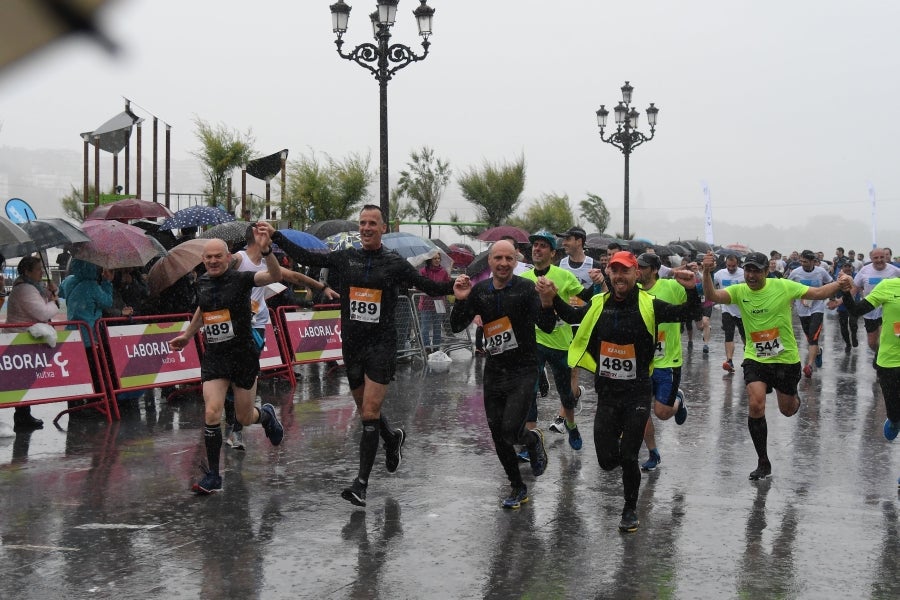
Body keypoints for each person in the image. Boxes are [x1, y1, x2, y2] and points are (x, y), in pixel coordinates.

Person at [269, 206, 456, 508]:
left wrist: (456, 287)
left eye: (372, 223)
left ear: (383, 228)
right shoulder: (346, 258)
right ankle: (392, 439)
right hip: (353, 345)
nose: (366, 228)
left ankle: (361, 484)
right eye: (363, 223)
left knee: (369, 413)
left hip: (381, 345)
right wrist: (276, 236)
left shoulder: (395, 263)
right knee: (365, 411)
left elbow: (430, 287)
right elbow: (308, 258)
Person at [538, 251, 700, 532]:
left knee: (628, 456)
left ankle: (629, 509)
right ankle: (625, 481)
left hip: (637, 393)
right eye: (615, 271)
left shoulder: (650, 304)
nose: (619, 276)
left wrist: (692, 290)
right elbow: (572, 315)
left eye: (625, 270)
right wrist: (552, 298)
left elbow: (689, 313)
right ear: (609, 274)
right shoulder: (599, 304)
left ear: (636, 274)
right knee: (605, 461)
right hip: (608, 394)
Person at [701, 251, 851, 481]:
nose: (751, 275)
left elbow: (818, 293)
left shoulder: (782, 286)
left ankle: (794, 397)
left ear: (766, 271)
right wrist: (706, 272)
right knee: (756, 404)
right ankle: (763, 461)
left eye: (756, 271)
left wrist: (840, 284)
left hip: (785, 358)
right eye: (748, 270)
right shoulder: (739, 291)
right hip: (756, 358)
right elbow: (712, 295)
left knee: (787, 410)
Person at [169, 226, 285, 495]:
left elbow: (275, 276)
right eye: (208, 257)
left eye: (217, 256)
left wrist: (267, 251)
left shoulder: (242, 279)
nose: (212, 261)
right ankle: (213, 475)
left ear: (228, 257)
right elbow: (203, 309)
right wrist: (187, 335)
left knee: (244, 417)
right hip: (215, 357)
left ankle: (266, 416)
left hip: (242, 355)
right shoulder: (202, 282)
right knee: (212, 412)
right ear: (203, 259)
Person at [449, 240, 555, 509]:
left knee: (510, 429)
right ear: (490, 262)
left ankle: (532, 439)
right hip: (495, 370)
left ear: (515, 262)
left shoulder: (526, 289)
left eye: (509, 258)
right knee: (498, 433)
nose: (504, 263)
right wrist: (460, 300)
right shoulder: (481, 291)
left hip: (524, 369)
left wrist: (546, 302)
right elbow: (456, 325)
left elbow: (547, 326)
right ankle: (517, 486)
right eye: (498, 258)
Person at [222, 225, 339, 451]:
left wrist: (322, 287)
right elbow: (219, 268)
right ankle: (242, 422)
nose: (271, 240)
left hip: (255, 328)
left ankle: (236, 430)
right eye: (265, 235)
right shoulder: (238, 259)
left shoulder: (268, 263)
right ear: (256, 238)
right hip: (232, 327)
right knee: (228, 380)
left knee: (240, 378)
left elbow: (293, 276)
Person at [520, 231, 589, 451]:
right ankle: (531, 441)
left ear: (552, 253)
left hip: (560, 344)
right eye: (535, 245)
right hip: (535, 342)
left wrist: (599, 284)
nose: (537, 249)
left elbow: (586, 298)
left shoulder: (564, 276)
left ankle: (571, 424)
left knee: (566, 393)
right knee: (529, 390)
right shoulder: (524, 279)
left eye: (543, 246)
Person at [838, 274, 900, 487]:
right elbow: (856, 310)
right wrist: (846, 292)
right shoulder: (889, 286)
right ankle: (894, 419)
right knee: (895, 413)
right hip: (890, 362)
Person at [635, 252, 690, 472]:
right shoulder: (633, 291)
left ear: (655, 270)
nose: (638, 270)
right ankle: (653, 453)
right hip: (641, 364)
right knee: (640, 411)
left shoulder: (671, 287)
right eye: (636, 266)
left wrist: (696, 280)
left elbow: (696, 303)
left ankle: (678, 400)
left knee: (662, 413)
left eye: (643, 267)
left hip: (667, 361)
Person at [4, 255, 61, 429]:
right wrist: (55, 303)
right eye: (38, 270)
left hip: (23, 338)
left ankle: (23, 415)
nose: (41, 273)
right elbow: (42, 313)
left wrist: (52, 293)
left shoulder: (31, 287)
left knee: (23, 378)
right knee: (22, 379)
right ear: (27, 271)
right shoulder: (25, 289)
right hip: (20, 339)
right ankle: (22, 416)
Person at [786, 249, 833, 378]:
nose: (803, 264)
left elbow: (830, 283)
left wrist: (832, 298)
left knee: (813, 336)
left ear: (813, 261)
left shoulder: (821, 272)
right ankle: (818, 352)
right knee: (810, 337)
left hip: (817, 307)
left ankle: (809, 366)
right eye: (801, 261)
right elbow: (788, 288)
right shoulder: (796, 273)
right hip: (802, 309)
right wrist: (789, 304)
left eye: (806, 262)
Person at [852, 248, 900, 361]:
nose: (879, 260)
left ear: (886, 257)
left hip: (889, 313)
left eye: (882, 257)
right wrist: (839, 301)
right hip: (870, 311)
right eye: (876, 258)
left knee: (891, 339)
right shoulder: (864, 270)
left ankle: (890, 361)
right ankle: (879, 355)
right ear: (871, 258)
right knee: (872, 343)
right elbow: (854, 288)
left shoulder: (895, 271)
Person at [713, 254, 746, 373]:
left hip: (742, 310)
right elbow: (710, 284)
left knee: (745, 336)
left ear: (738, 264)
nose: (731, 268)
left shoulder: (744, 273)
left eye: (733, 266)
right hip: (727, 309)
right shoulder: (719, 274)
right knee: (729, 334)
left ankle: (748, 356)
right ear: (726, 264)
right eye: (729, 266)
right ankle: (729, 361)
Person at [417, 251, 451, 353]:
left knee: (437, 327)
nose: (437, 260)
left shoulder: (444, 272)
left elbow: (447, 285)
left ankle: (436, 348)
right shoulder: (423, 271)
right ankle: (426, 348)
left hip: (439, 303)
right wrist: (429, 289)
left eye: (438, 258)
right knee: (425, 327)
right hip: (425, 303)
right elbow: (418, 285)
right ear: (430, 259)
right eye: (434, 258)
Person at [827, 261, 860, 352]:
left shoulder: (856, 276)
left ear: (852, 267)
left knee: (853, 324)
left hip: (854, 304)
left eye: (849, 266)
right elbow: (832, 289)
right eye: (845, 266)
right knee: (843, 325)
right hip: (842, 304)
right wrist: (832, 299)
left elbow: (860, 287)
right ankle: (847, 344)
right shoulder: (838, 277)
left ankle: (854, 336)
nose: (848, 268)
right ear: (842, 268)